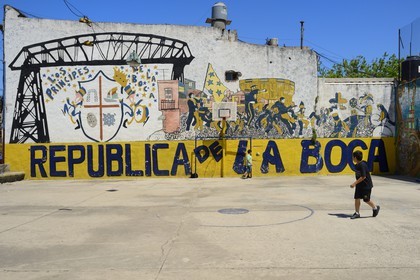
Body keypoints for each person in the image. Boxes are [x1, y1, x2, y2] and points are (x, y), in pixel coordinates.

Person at [350, 150, 380, 219]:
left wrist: (354, 183)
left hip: (366, 186)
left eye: (353, 157)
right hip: (359, 185)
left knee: (366, 199)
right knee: (357, 198)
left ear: (355, 158)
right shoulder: (357, 165)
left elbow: (363, 177)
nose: (352, 158)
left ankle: (375, 208)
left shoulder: (362, 165)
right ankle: (357, 213)